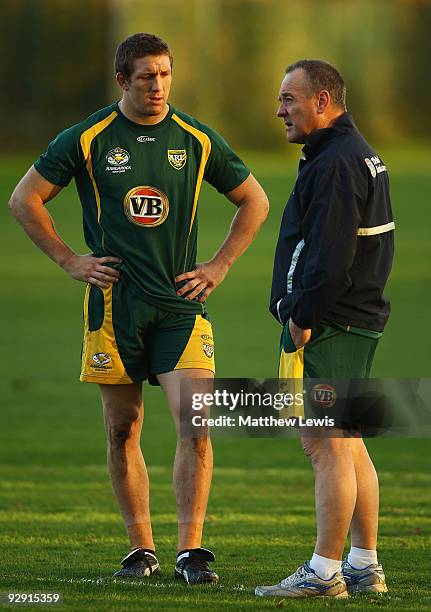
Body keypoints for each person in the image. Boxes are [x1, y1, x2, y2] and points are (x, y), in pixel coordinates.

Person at [9, 32, 269, 585]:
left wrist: (219, 266)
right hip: (113, 308)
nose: (158, 86)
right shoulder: (87, 138)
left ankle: (191, 551)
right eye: (147, 76)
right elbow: (23, 199)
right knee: (122, 427)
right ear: (122, 80)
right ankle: (141, 549)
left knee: (195, 423)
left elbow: (255, 199)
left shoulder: (195, 139)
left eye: (166, 74)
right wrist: (69, 261)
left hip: (180, 306)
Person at [255, 60, 394, 599]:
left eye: (290, 99)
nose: (280, 110)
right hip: (354, 318)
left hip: (331, 322)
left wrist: (303, 315)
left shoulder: (336, 161)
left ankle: (324, 570)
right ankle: (362, 565)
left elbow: (331, 258)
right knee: (351, 441)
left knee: (327, 444)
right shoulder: (346, 152)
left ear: (322, 101)